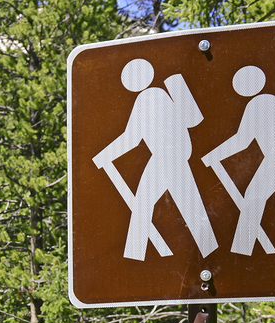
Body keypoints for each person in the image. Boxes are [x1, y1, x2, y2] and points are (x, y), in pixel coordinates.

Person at [92, 58, 218, 261]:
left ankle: (134, 258)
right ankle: (212, 252)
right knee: (189, 208)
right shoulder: (160, 94)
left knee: (145, 204)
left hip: (164, 159)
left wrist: (105, 155)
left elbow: (132, 138)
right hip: (175, 158)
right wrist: (105, 156)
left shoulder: (147, 98)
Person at [201, 65, 275, 257]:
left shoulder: (257, 104)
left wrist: (214, 155)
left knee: (252, 198)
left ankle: (241, 252)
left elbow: (243, 140)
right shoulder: (273, 100)